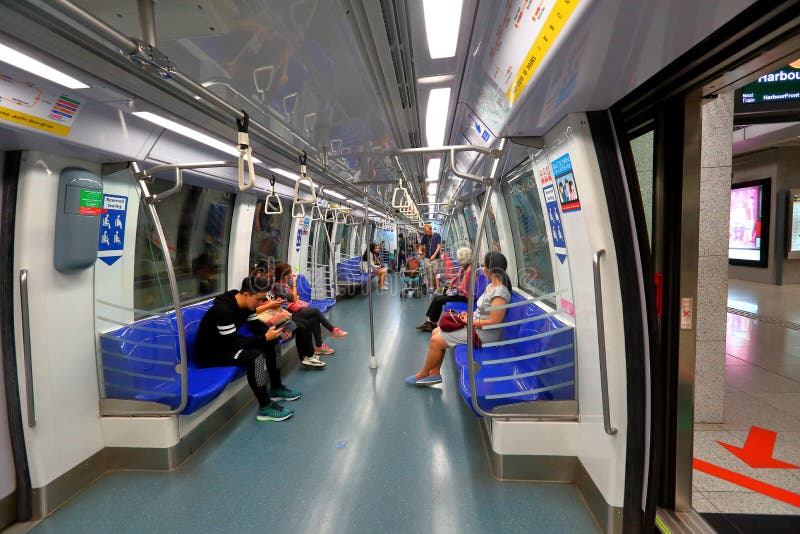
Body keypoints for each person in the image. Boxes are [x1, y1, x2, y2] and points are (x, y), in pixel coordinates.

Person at [195, 276, 301, 422]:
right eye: (259, 299)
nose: (261, 303)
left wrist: (276, 332)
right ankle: (265, 407)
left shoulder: (247, 306)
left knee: (273, 342)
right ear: (245, 294)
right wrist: (265, 338)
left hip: (226, 344)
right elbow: (232, 342)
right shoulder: (223, 310)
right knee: (255, 357)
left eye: (263, 299)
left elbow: (256, 327)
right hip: (210, 353)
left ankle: (276, 388)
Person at [405, 252, 511, 386]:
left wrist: (470, 322)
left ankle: (424, 373)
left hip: (484, 334)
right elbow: (481, 312)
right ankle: (435, 373)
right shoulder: (491, 286)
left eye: (484, 265)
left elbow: (495, 321)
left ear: (491, 269)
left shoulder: (500, 293)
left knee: (436, 340)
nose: (482, 268)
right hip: (475, 325)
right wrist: (468, 316)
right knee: (435, 331)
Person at [271, 263, 348, 356]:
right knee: (315, 311)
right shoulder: (277, 286)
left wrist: (294, 296)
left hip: (294, 310)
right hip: (289, 314)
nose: (291, 275)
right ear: (284, 275)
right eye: (290, 273)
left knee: (314, 318)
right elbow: (293, 298)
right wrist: (295, 284)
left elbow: (295, 296)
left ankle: (319, 347)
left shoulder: (286, 284)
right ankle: (332, 330)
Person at [416, 247, 474, 332]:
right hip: (460, 293)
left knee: (438, 300)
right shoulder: (464, 267)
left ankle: (431, 323)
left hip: (464, 296)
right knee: (437, 298)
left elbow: (462, 286)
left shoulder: (469, 270)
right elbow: (456, 279)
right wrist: (451, 285)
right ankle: (431, 322)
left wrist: (453, 289)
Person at [421, 224, 442, 292]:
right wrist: (422, 253)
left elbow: (438, 247)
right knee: (429, 272)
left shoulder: (437, 235)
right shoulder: (425, 236)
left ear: (430, 229)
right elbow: (421, 246)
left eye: (427, 231)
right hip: (427, 258)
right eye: (425, 231)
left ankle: (437, 286)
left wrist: (434, 255)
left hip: (436, 258)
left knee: (435, 272)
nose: (427, 233)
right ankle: (431, 286)